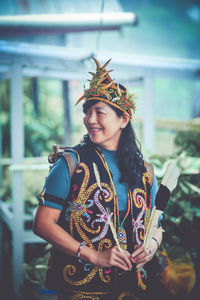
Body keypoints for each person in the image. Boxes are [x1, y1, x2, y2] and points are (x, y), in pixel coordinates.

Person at [33, 57, 163, 300]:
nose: (90, 120)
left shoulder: (146, 171)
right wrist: (94, 255)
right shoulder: (70, 164)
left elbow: (157, 224)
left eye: (99, 112)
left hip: (135, 288)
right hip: (82, 289)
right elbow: (42, 223)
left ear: (123, 119)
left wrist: (151, 246)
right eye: (86, 112)